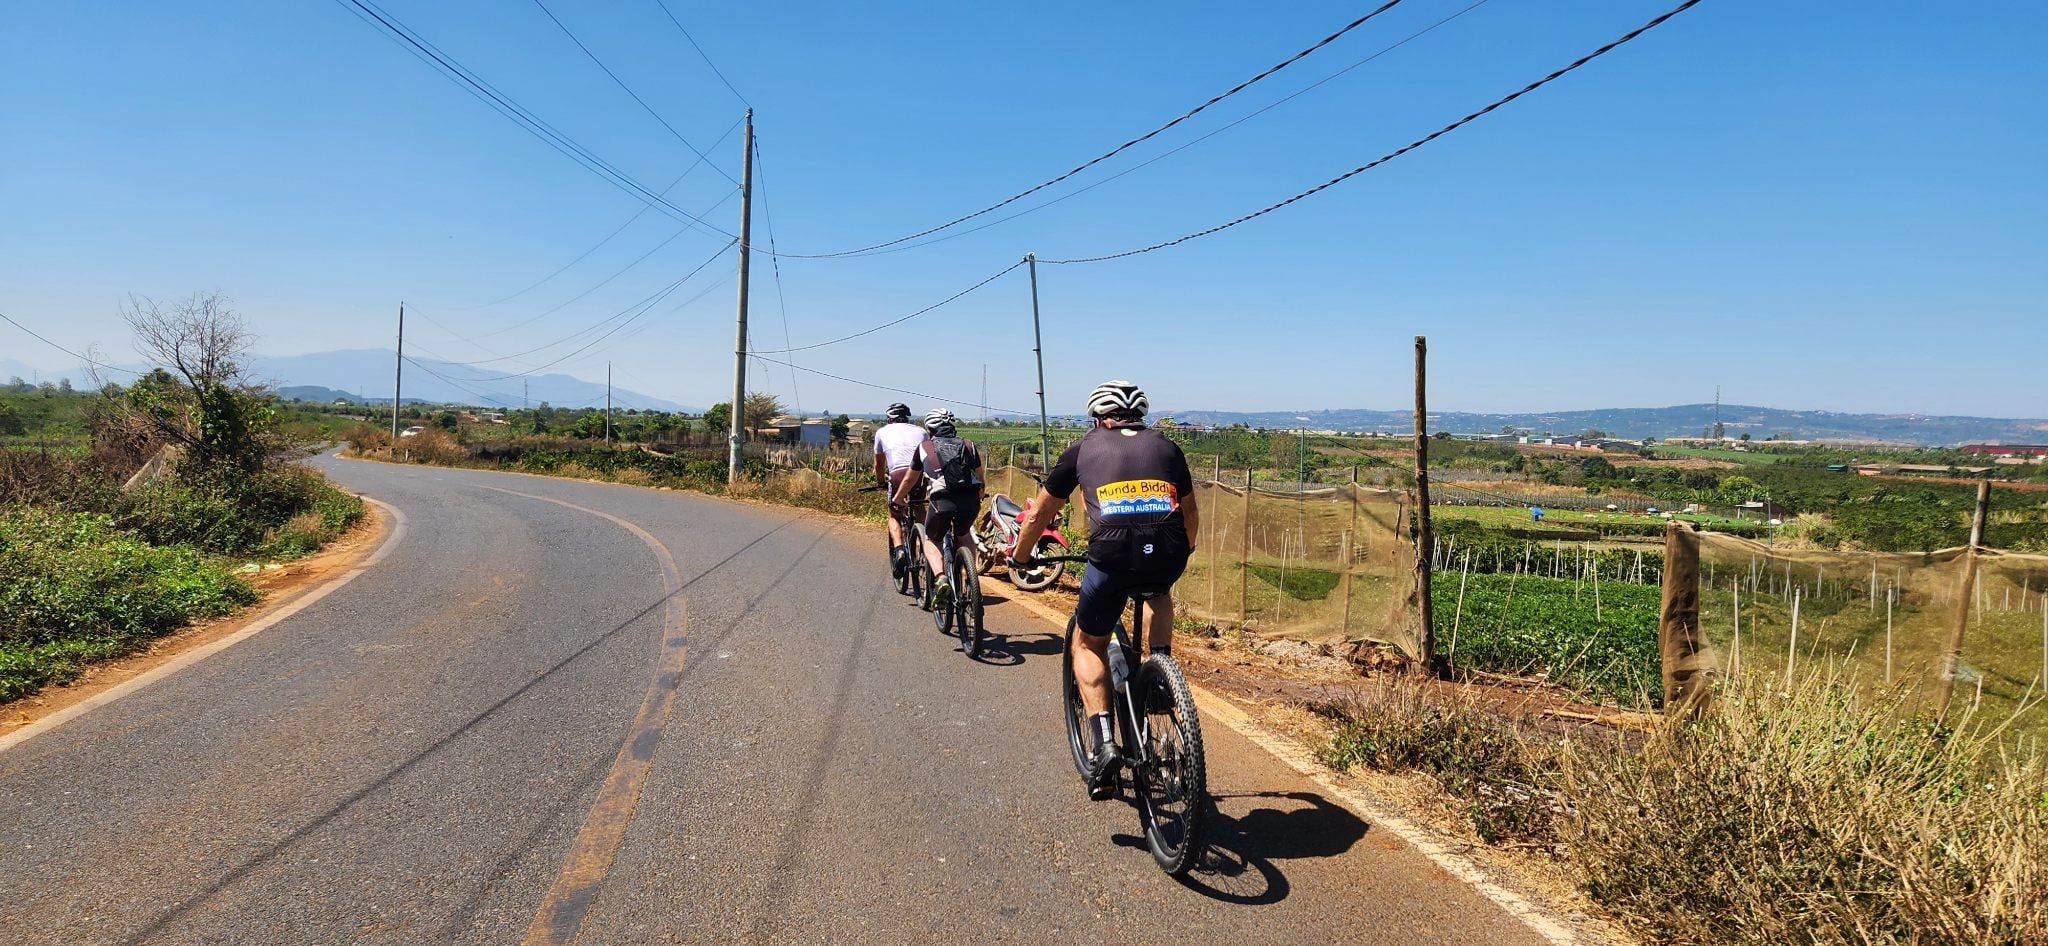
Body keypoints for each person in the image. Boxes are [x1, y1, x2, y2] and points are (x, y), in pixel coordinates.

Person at [1010, 380, 1198, 798]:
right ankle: (1159, 673)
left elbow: (1041, 512)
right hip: (1166, 551)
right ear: (1140, 416)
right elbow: (1189, 512)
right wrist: (1184, 550)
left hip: (1111, 557)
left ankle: (1106, 743)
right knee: (1157, 590)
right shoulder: (1167, 447)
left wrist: (1021, 556)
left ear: (1098, 417)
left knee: (1088, 644)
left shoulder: (1082, 448)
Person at [898, 409, 984, 606]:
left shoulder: (925, 447)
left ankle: (941, 578)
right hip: (970, 500)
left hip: (942, 501)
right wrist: (980, 493)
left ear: (929, 428)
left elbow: (911, 479)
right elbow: (980, 477)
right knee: (964, 534)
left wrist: (898, 498)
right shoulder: (969, 445)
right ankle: (970, 576)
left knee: (931, 539)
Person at [872, 402, 929, 577]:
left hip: (897, 474)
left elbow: (878, 463)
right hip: (919, 474)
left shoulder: (882, 432)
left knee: (894, 514)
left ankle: (899, 550)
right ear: (907, 418)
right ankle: (927, 543)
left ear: (889, 419)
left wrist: (881, 482)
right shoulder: (921, 431)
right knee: (919, 507)